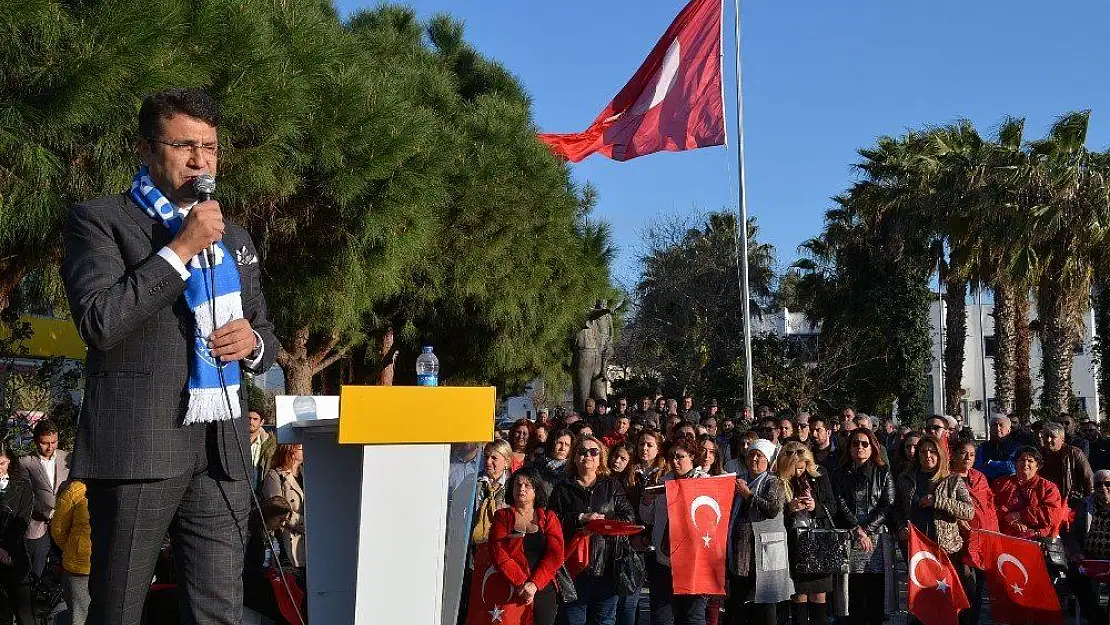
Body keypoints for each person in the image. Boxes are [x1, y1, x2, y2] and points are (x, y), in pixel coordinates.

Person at [60, 88, 279, 625]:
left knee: (219, 613)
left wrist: (252, 345)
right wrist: (180, 249)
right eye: (184, 145)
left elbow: (268, 335)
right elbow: (99, 323)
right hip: (140, 451)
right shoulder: (100, 221)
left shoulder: (236, 238)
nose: (200, 160)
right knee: (118, 610)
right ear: (145, 149)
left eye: (210, 147)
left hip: (223, 451)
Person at [550, 436, 635, 625]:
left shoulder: (612, 485)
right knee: (573, 621)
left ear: (600, 458)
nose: (587, 456)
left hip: (606, 566)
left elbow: (628, 518)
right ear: (574, 457)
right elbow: (552, 520)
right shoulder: (563, 488)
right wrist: (580, 518)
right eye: (581, 452)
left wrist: (603, 524)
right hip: (573, 569)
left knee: (604, 621)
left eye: (593, 452)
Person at [641, 439, 712, 625]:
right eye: (672, 457)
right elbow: (648, 518)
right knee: (661, 617)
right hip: (664, 561)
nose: (675, 461)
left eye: (680, 457)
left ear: (692, 457)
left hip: (693, 562)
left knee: (692, 617)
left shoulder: (704, 482)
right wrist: (647, 501)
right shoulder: (663, 482)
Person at [832, 428, 895, 625]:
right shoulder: (839, 473)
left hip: (876, 541)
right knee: (853, 596)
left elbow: (888, 503)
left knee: (876, 594)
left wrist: (866, 530)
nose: (860, 447)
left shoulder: (883, 472)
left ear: (873, 447)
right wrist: (857, 530)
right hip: (850, 539)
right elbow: (839, 503)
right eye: (855, 443)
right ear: (849, 448)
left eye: (864, 443)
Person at [725, 439, 792, 625]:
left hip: (765, 554)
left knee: (765, 607)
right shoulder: (739, 479)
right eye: (752, 454)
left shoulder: (774, 482)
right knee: (738, 606)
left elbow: (772, 509)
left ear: (768, 460)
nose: (754, 459)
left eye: (759, 456)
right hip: (741, 554)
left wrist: (747, 495)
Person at [489, 468, 564, 625]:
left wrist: (534, 584)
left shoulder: (548, 517)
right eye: (517, 484)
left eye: (527, 485)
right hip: (512, 587)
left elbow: (555, 555)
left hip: (543, 589)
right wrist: (523, 584)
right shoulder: (502, 516)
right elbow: (499, 554)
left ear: (536, 490)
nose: (521, 488)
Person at [775, 441, 835, 625]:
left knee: (819, 595)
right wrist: (789, 509)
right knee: (798, 595)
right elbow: (773, 515)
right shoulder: (778, 480)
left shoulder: (819, 474)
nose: (798, 472)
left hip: (818, 541)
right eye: (794, 468)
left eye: (801, 467)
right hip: (794, 543)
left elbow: (832, 506)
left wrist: (815, 506)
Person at [894, 435, 973, 563]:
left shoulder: (952, 480)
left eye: (932, 451)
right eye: (923, 452)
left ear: (940, 454)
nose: (928, 455)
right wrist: (900, 527)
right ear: (918, 455)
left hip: (946, 550)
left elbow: (969, 511)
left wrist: (938, 501)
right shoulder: (905, 479)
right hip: (916, 548)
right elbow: (896, 508)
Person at [949, 440, 996, 625]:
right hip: (959, 540)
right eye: (964, 453)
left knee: (977, 589)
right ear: (954, 454)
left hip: (982, 538)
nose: (968, 458)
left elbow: (990, 507)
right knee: (964, 585)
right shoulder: (947, 477)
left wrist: (993, 534)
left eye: (972, 454)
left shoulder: (979, 477)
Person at [19, 418, 69, 578]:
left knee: (64, 570)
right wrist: (48, 512)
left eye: (54, 442)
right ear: (36, 441)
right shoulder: (25, 462)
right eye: (45, 443)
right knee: (35, 572)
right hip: (37, 526)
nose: (50, 447)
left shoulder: (68, 458)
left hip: (65, 524)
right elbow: (26, 496)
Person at [1064, 469, 1110, 625]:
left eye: (1108, 484)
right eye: (1098, 484)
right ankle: (1098, 619)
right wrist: (1076, 552)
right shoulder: (1086, 505)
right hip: (1089, 557)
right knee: (1074, 575)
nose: (1103, 488)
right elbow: (1073, 534)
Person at [993, 446, 1065, 540]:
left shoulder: (1048, 488)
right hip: (1005, 538)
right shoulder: (1001, 483)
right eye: (1022, 460)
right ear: (1015, 463)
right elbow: (990, 506)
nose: (1025, 464)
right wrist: (1007, 517)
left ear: (1037, 465)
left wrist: (1020, 515)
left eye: (1030, 461)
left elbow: (1052, 515)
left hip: (1037, 539)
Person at [0, 444, 34, 625]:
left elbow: (22, 520)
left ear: (10, 461)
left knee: (24, 610)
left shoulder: (22, 486)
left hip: (15, 553)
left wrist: (6, 549)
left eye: (2, 463)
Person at [53, 475, 92, 625]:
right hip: (80, 568)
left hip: (109, 567)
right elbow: (58, 528)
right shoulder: (76, 489)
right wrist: (74, 548)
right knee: (79, 618)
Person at [262, 444, 306, 568]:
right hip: (287, 541)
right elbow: (277, 510)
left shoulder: (308, 474)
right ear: (290, 450)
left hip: (310, 543)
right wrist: (305, 524)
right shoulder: (275, 475)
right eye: (302, 448)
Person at [1040, 421, 1094, 514]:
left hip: (1069, 503)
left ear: (1062, 439)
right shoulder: (1038, 454)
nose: (1048, 440)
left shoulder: (1074, 453)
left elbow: (1088, 479)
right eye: (1046, 436)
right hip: (1045, 503)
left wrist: (1088, 504)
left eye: (1053, 437)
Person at [471, 440, 512, 547]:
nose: (488, 461)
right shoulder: (472, 481)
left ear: (506, 462)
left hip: (503, 543)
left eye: (494, 458)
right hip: (475, 543)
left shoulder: (514, 484)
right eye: (486, 457)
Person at [975, 415, 1018, 480]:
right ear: (990, 430)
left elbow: (1012, 468)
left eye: (1001, 425)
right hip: (986, 484)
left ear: (1009, 430)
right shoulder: (983, 446)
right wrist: (1001, 467)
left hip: (1008, 485)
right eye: (994, 425)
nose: (997, 428)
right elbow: (978, 468)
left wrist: (990, 463)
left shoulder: (1016, 447)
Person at [248, 409, 276, 492]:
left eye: (255, 419)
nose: (251, 422)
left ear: (262, 422)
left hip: (261, 481)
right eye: (248, 418)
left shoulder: (270, 442)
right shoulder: (235, 439)